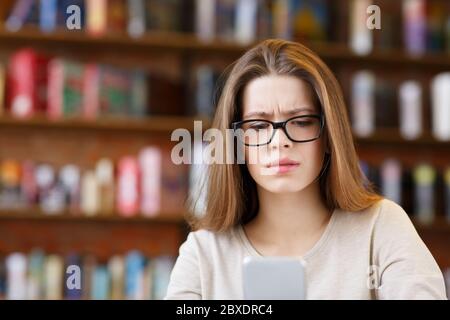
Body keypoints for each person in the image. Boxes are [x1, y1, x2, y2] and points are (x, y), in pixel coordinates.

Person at [165, 39, 447, 300]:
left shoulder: (381, 226)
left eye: (301, 121)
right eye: (259, 126)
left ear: (328, 136)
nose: (279, 142)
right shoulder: (204, 254)